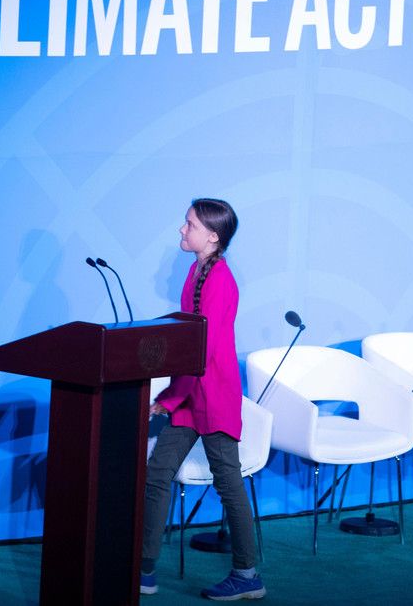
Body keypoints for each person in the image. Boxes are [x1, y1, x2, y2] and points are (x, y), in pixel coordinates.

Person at [140, 198, 266, 601]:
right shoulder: (197, 270)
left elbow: (205, 351)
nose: (182, 229)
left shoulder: (220, 280)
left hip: (212, 396)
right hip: (191, 396)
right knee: (157, 474)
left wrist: (169, 399)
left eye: (190, 224)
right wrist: (174, 397)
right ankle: (143, 569)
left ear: (212, 236)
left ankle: (247, 575)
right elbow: (189, 341)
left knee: (228, 484)